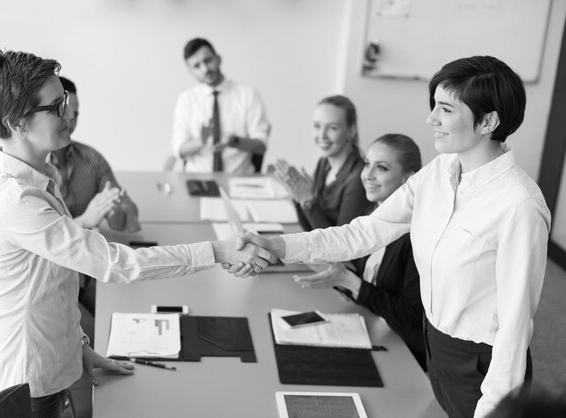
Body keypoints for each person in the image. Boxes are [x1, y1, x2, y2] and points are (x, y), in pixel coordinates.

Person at [231, 56, 550, 418]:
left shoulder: (519, 205)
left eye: (445, 109)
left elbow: (515, 326)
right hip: (435, 346)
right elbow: (363, 233)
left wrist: (495, 411)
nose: (431, 119)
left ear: (488, 121)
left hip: (481, 363)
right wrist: (278, 246)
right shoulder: (440, 172)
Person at [0, 49, 274, 417]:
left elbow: (52, 285)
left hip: (46, 365)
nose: (67, 115)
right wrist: (217, 251)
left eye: (63, 101)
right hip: (23, 384)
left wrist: (79, 346)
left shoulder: (40, 177)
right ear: (17, 122)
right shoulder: (16, 200)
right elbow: (112, 263)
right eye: (55, 108)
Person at [293, 133, 426, 371]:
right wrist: (344, 281)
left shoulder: (416, 236)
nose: (368, 175)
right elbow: (370, 284)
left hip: (404, 354)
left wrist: (351, 282)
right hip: (372, 329)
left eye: (382, 168)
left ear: (409, 180)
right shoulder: (371, 213)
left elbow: (410, 317)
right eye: (367, 164)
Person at [49, 76, 141, 234]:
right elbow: (45, 239)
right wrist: (85, 220)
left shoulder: (92, 158)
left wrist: (115, 211)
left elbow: (127, 220)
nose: (70, 120)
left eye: (75, 114)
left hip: (90, 253)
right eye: (63, 111)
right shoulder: (32, 168)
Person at [271, 95, 369, 231]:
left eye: (333, 128)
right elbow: (310, 228)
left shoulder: (358, 179)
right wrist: (297, 195)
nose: (322, 135)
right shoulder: (324, 163)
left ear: (350, 131)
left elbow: (340, 246)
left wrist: (308, 201)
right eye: (317, 126)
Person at [172, 38, 270, 174]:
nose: (205, 69)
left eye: (208, 61)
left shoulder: (248, 95)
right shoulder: (186, 100)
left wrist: (234, 141)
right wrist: (201, 141)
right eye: (197, 66)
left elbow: (261, 146)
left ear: (218, 59)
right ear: (190, 71)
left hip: (238, 178)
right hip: (198, 178)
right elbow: (179, 150)